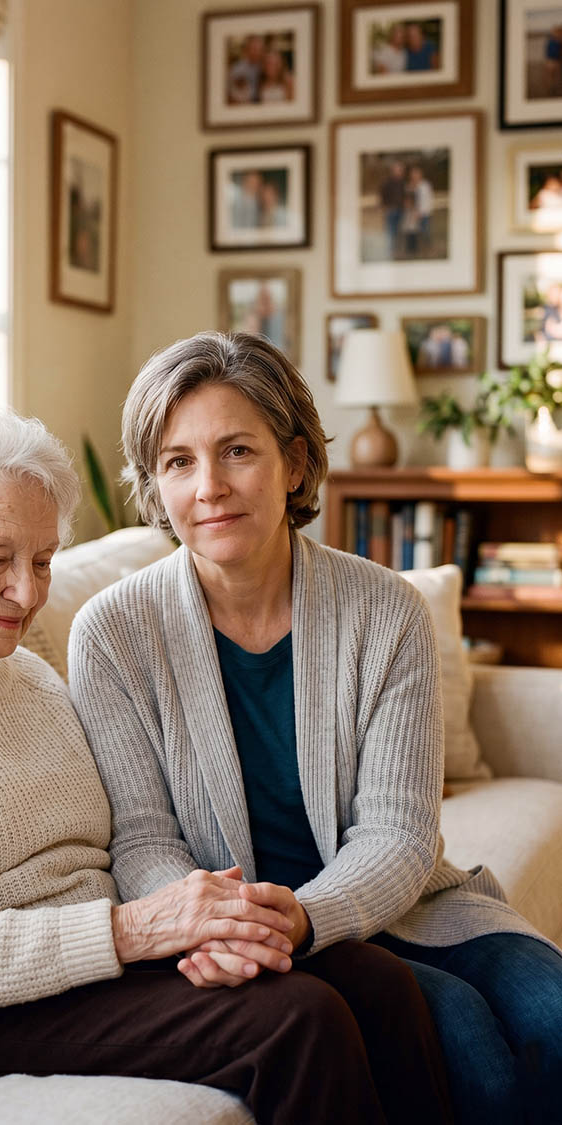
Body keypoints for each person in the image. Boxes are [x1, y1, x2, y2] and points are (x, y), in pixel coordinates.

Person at [0, 401, 452, 1124]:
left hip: (92, 970)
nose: (28, 594)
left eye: (41, 561)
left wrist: (202, 929)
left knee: (374, 982)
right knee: (297, 1019)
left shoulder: (27, 675)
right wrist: (135, 931)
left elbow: (124, 837)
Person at [68, 331, 562, 1125]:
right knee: (467, 1045)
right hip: (240, 935)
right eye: (179, 461)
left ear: (295, 463)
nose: (209, 488)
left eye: (237, 451)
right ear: (156, 485)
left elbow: (400, 834)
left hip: (400, 906)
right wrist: (222, 926)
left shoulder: (387, 609)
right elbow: (142, 840)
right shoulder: (111, 633)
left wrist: (303, 917)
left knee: (555, 1013)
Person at [379, 160, 406, 257]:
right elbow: (382, 196)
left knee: (399, 231)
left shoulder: (402, 183)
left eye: (401, 170)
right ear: (393, 171)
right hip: (390, 210)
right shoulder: (387, 183)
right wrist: (384, 208)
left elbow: (404, 196)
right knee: (390, 232)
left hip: (401, 210)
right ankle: (389, 252)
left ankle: (398, 251)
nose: (399, 172)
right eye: (397, 170)